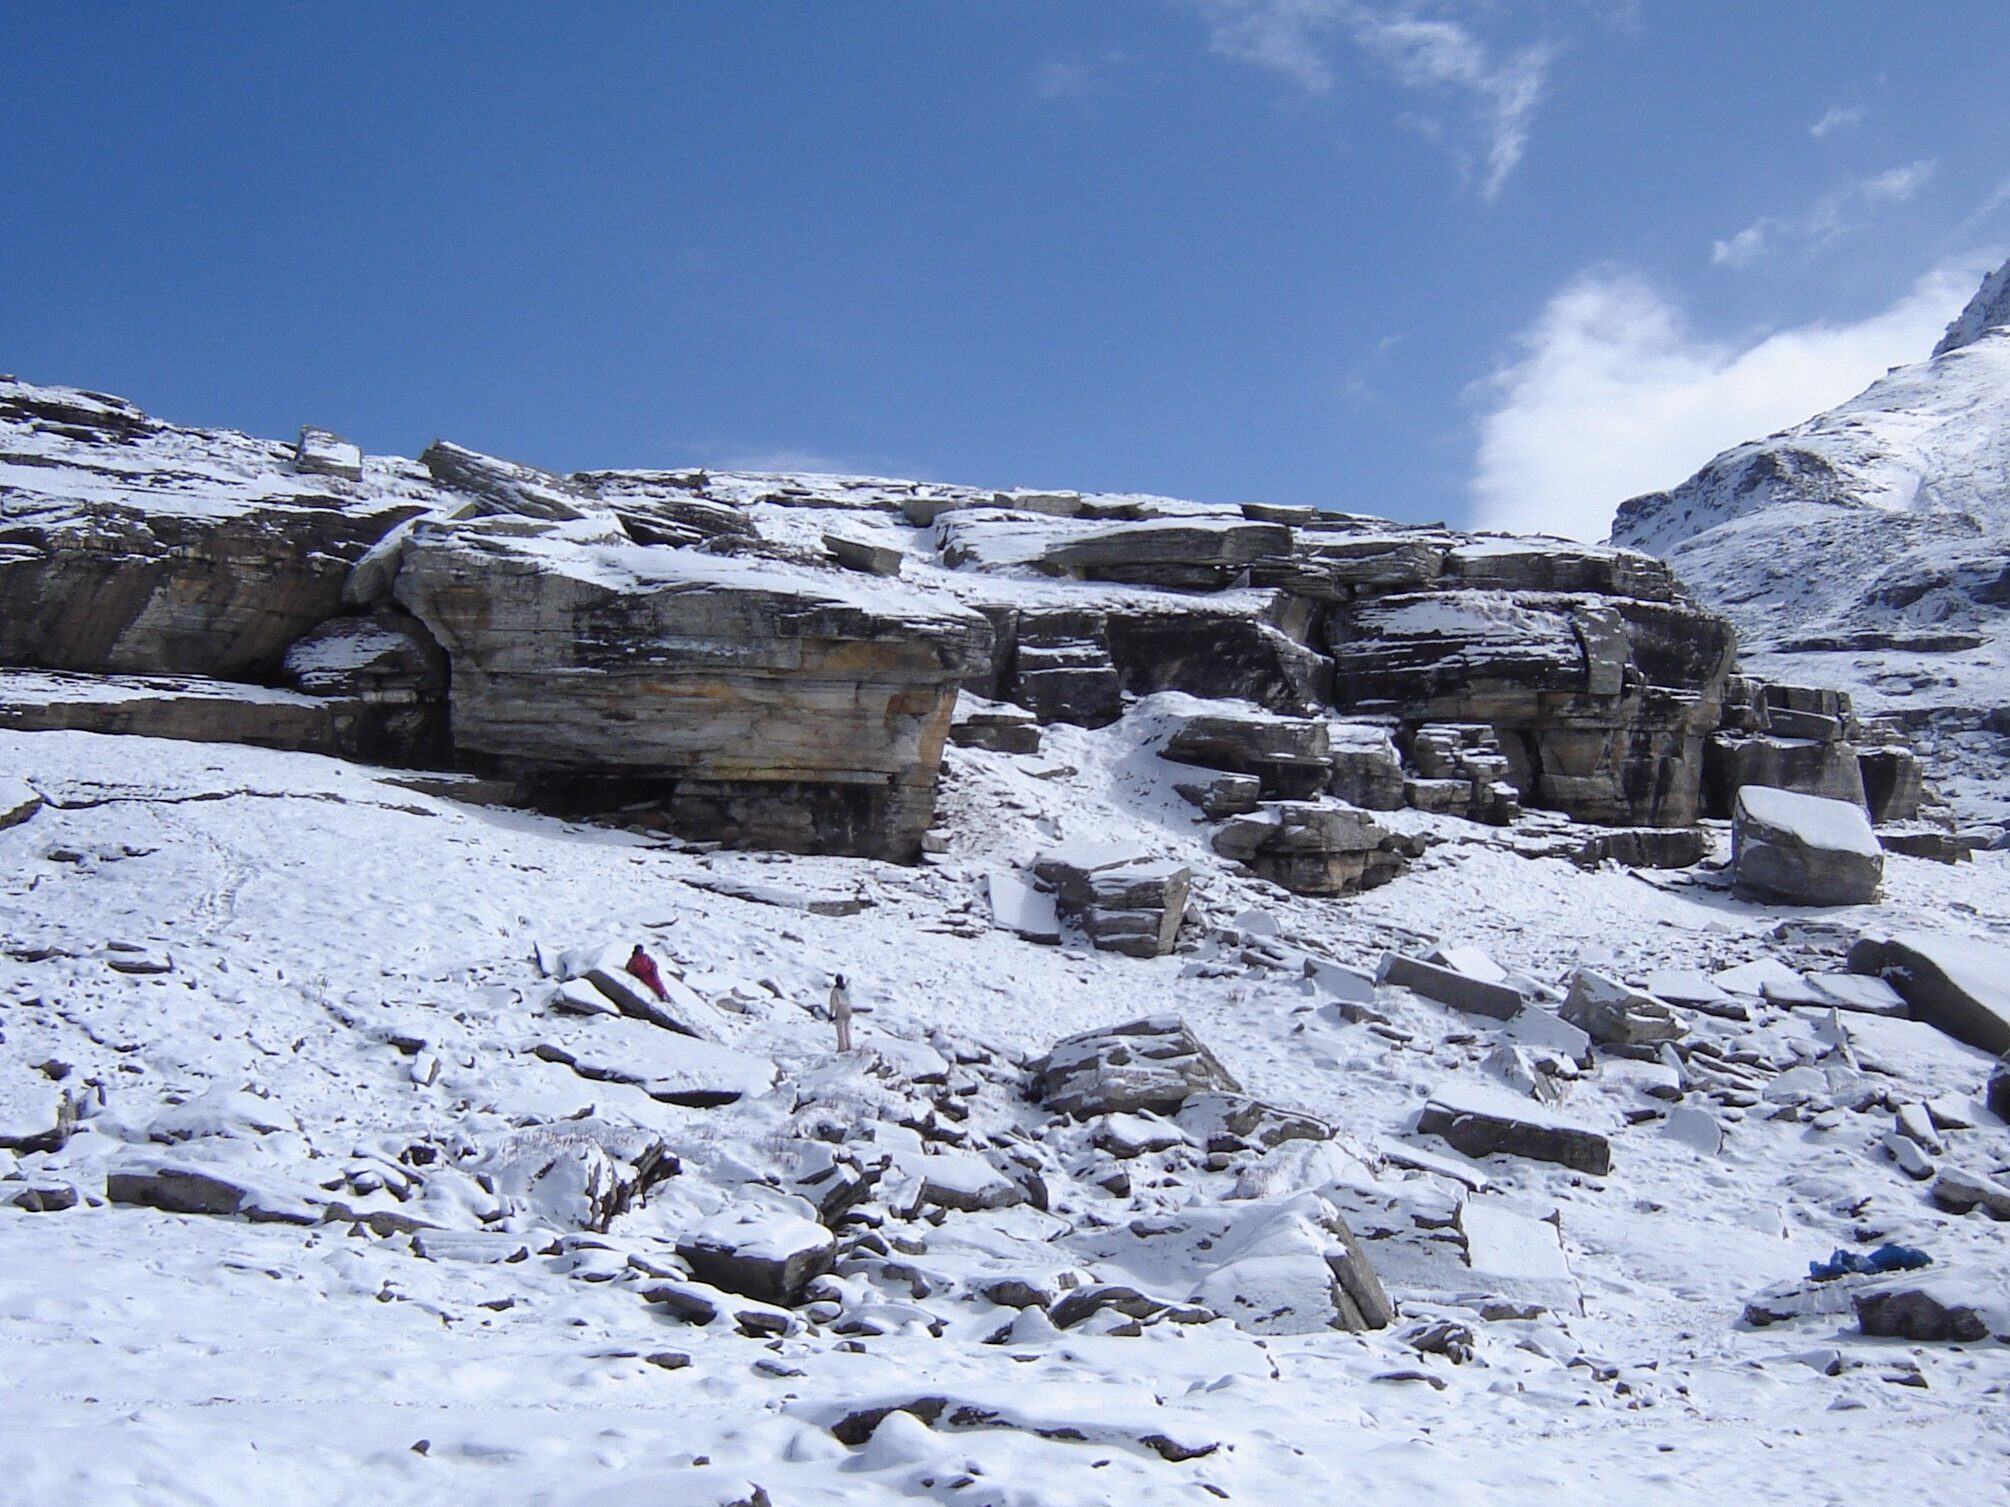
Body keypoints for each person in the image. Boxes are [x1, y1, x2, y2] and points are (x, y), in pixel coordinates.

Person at [829, 973, 854, 1053]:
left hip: (841, 1008)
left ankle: (842, 1048)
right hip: (849, 1008)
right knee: (847, 1029)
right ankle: (849, 1045)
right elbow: (849, 982)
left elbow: (833, 1003)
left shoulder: (835, 991)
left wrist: (831, 1014)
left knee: (840, 1029)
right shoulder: (847, 988)